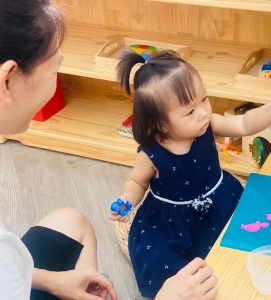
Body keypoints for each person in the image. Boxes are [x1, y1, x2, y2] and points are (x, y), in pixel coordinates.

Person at [0, 1, 220, 299]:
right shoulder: (152, 155)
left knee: (71, 219)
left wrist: (51, 280)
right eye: (55, 67)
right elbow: (136, 183)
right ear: (8, 80)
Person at [109, 50, 271, 298]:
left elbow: (242, 124)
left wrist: (268, 111)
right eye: (189, 111)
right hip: (172, 220)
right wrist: (127, 199)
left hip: (219, 197)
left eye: (204, 99)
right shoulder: (152, 154)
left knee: (250, 227)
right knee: (159, 258)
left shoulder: (209, 125)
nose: (203, 112)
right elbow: (136, 181)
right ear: (162, 124)